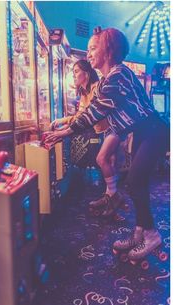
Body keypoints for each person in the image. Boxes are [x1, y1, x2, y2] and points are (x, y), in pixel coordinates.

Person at [45, 27, 169, 261]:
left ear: (108, 50)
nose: (89, 54)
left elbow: (95, 112)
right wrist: (67, 128)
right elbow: (97, 113)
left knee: (134, 181)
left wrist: (65, 132)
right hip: (143, 132)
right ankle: (140, 231)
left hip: (154, 131)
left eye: (93, 48)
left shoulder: (118, 75)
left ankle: (151, 234)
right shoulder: (106, 80)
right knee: (135, 182)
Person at [51, 59, 124, 215]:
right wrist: (63, 123)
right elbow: (80, 116)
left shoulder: (97, 88)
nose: (74, 75)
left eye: (76, 71)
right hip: (104, 130)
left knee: (106, 161)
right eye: (73, 72)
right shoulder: (84, 92)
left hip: (114, 128)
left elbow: (90, 115)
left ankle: (113, 200)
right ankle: (110, 198)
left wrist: (65, 130)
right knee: (106, 162)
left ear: (87, 73)